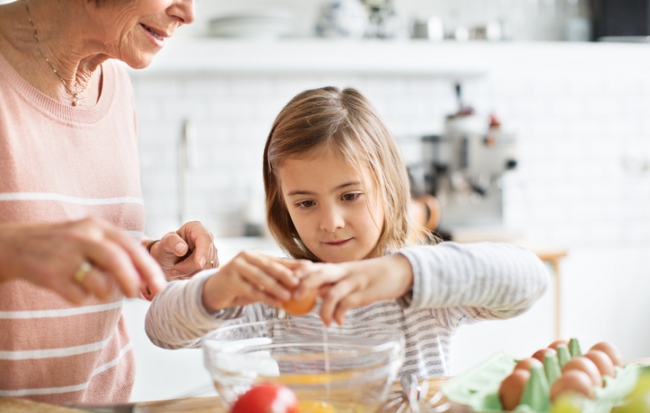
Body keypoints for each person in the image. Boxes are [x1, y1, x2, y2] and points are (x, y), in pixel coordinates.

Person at [145, 87, 549, 378]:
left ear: (387, 186)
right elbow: (161, 330)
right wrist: (213, 289)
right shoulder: (282, 295)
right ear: (283, 205)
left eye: (351, 195)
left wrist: (402, 272)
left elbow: (529, 279)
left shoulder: (422, 289)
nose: (330, 221)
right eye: (306, 203)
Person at [0, 0, 218, 404]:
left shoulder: (114, 81)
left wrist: (147, 257)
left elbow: (73, 259)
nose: (187, 14)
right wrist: (12, 251)